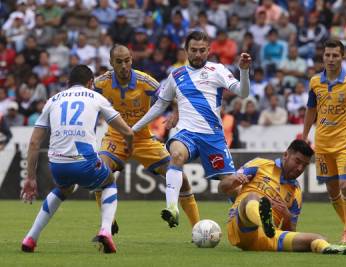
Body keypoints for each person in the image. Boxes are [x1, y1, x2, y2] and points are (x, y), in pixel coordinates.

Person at [131, 31, 251, 228]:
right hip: (187, 133)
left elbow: (243, 93)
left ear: (208, 51)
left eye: (202, 50)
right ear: (186, 50)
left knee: (230, 186)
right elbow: (160, 105)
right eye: (193, 50)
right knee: (176, 155)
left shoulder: (217, 70)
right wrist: (134, 128)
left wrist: (244, 71)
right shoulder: (176, 75)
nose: (198, 54)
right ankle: (172, 208)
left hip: (213, 137)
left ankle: (249, 219)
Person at [20, 65, 134, 253]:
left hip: (58, 164)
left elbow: (34, 143)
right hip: (85, 162)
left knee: (64, 188)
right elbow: (127, 132)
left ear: (67, 83)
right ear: (91, 83)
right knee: (108, 183)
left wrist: (30, 178)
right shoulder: (97, 97)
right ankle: (106, 230)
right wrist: (129, 147)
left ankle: (31, 237)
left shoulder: (52, 100)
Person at [94, 44, 200, 229]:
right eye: (119, 62)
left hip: (143, 139)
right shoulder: (101, 83)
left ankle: (197, 227)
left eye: (127, 61)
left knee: (181, 179)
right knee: (99, 173)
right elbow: (84, 97)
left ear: (132, 59)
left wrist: (175, 111)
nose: (124, 66)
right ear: (111, 62)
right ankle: (108, 221)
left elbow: (170, 98)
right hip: (115, 138)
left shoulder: (145, 81)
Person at [222, 140, 346, 255]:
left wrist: (287, 215)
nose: (300, 169)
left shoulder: (296, 193)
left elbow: (290, 232)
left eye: (305, 165)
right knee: (252, 197)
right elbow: (222, 186)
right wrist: (234, 179)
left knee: (319, 238)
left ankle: (332, 249)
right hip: (241, 228)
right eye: (297, 161)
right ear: (286, 155)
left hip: (269, 239)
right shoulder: (260, 165)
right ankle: (263, 221)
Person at [302, 39, 346, 243]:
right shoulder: (315, 81)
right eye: (328, 55)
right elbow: (311, 109)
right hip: (322, 144)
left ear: (342, 56)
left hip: (345, 143)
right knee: (332, 191)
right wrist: (304, 134)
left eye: (335, 55)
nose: (331, 59)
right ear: (323, 56)